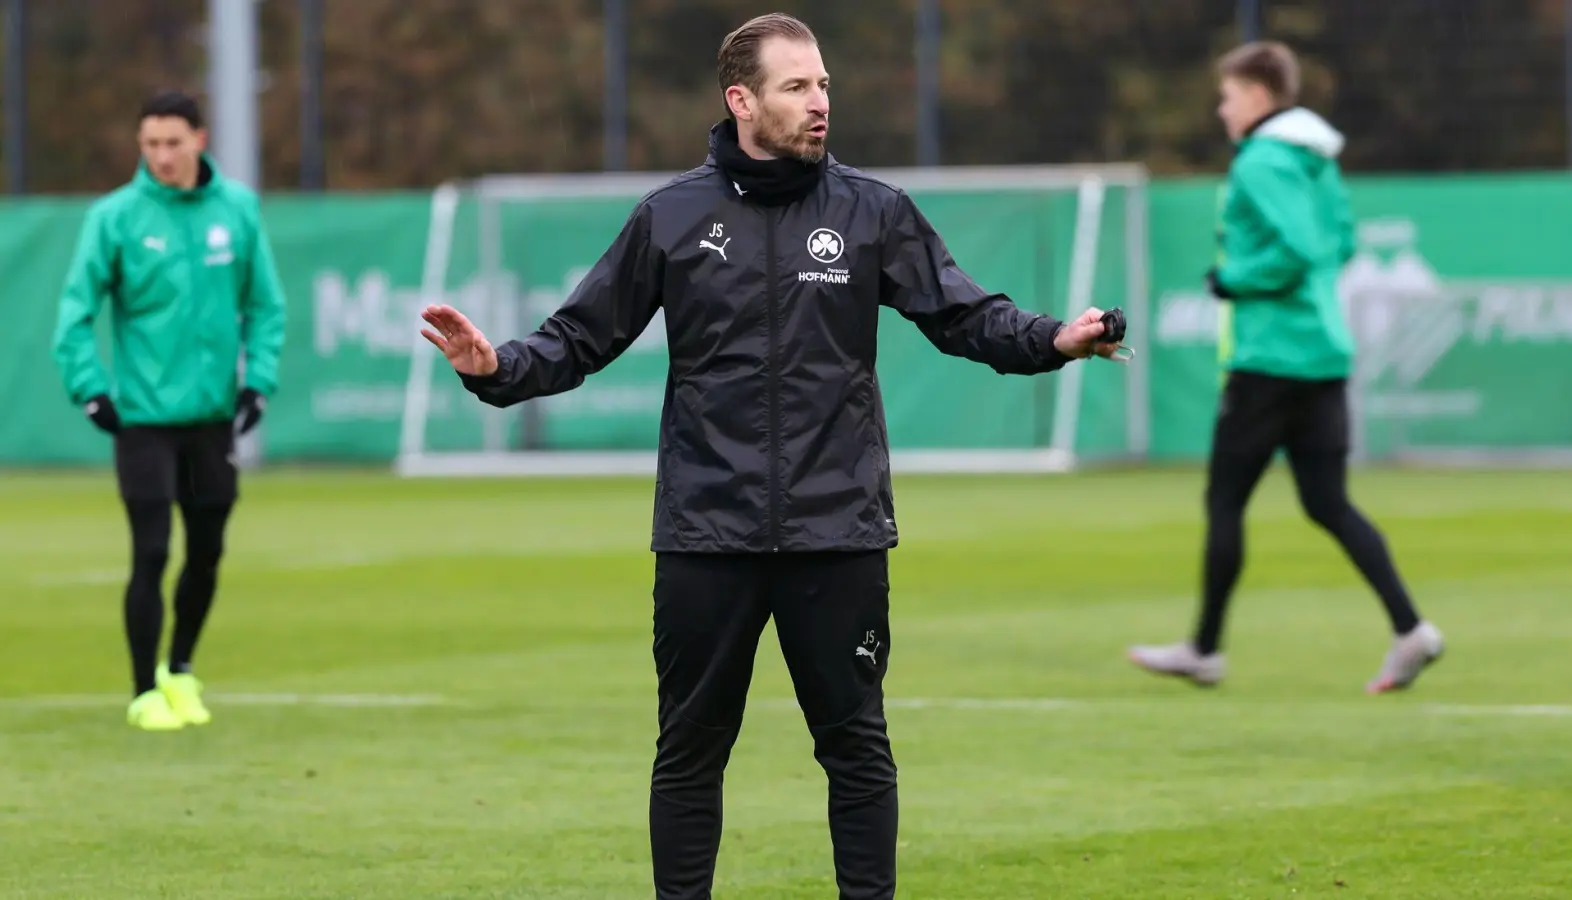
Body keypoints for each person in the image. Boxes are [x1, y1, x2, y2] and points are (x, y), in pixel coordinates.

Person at [418, 13, 1121, 899]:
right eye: (798, 86)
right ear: (741, 99)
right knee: (689, 751)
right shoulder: (671, 217)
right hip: (707, 533)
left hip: (839, 530)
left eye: (824, 83)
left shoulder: (873, 212)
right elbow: (579, 337)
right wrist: (497, 368)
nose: (820, 101)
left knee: (857, 750)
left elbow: (964, 314)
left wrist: (1053, 338)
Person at [1127, 41, 1443, 694]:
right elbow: (1341, 243)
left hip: (1270, 357)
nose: (1222, 109)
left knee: (1224, 500)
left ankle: (1206, 649)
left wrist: (1233, 278)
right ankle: (1411, 630)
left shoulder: (1263, 159)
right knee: (1328, 502)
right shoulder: (1317, 160)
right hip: (1323, 352)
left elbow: (1297, 249)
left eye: (1230, 95)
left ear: (1260, 98)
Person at [51, 90, 287, 732]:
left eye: (173, 143)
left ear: (200, 141)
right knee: (151, 551)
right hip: (143, 421)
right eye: (150, 144)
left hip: (212, 419)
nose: (161, 155)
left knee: (206, 550)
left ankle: (180, 671)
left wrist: (257, 382)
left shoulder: (237, 210)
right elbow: (74, 314)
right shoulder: (115, 217)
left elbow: (266, 305)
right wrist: (91, 389)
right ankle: (141, 691)